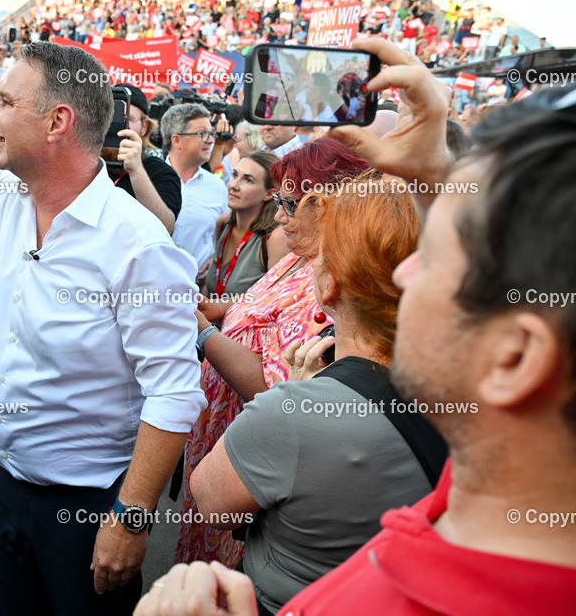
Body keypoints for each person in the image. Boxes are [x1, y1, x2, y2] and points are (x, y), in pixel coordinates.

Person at [0, 0, 205, 616]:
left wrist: (131, 517)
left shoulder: (137, 244)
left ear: (57, 121)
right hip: (9, 489)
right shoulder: (9, 196)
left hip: (89, 510)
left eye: (6, 103)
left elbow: (173, 392)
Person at [275, 38, 576, 616]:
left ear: (513, 359)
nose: (403, 271)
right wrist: (434, 177)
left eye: (433, 256)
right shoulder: (512, 472)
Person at [190, 175, 445, 615]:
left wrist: (293, 394)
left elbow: (211, 504)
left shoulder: (291, 414)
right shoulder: (480, 393)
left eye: (320, 256)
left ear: (329, 286)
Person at [178, 139, 368, 568]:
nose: (279, 216)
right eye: (278, 201)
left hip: (251, 459)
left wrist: (203, 332)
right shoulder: (302, 255)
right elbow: (263, 305)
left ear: (325, 205)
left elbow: (274, 387)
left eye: (288, 204)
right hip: (222, 438)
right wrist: (221, 309)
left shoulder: (333, 280)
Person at [202, 151, 286, 297]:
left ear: (269, 194)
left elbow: (274, 301)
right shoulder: (223, 223)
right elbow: (210, 290)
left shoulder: (274, 238)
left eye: (248, 180)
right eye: (235, 175)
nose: (234, 185)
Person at [107, 84, 182, 234]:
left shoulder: (161, 172)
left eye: (128, 119)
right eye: (112, 117)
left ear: (144, 126)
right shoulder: (86, 162)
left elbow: (165, 228)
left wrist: (136, 170)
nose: (120, 126)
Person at [164, 103, 228, 271]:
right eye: (203, 134)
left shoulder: (217, 186)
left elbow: (228, 234)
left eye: (211, 133)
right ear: (176, 140)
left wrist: (216, 259)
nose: (211, 140)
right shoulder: (149, 180)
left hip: (197, 285)